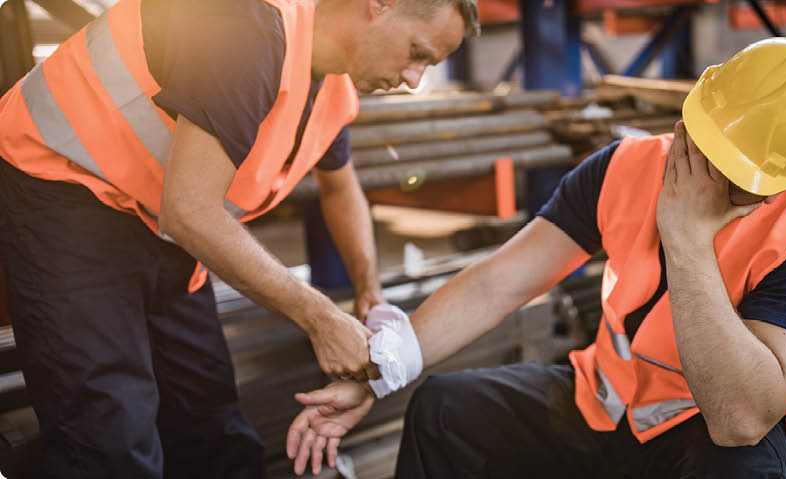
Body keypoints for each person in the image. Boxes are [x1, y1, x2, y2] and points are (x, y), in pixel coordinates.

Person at [285, 37, 786, 478]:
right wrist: (381, 372)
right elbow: (499, 283)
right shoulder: (623, 167)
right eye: (705, 149)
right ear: (691, 117)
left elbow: (741, 420)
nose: (711, 177)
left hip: (700, 435)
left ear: (782, 182)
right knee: (442, 410)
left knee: (745, 469)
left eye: (740, 177)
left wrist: (686, 239)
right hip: (601, 403)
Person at [0, 0, 478, 476]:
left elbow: (339, 183)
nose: (415, 79)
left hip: (157, 221)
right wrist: (320, 319)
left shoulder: (330, 80)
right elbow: (189, 212)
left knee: (210, 423)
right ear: (379, 5)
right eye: (417, 52)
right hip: (63, 190)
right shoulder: (247, 26)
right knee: (108, 436)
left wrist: (368, 291)